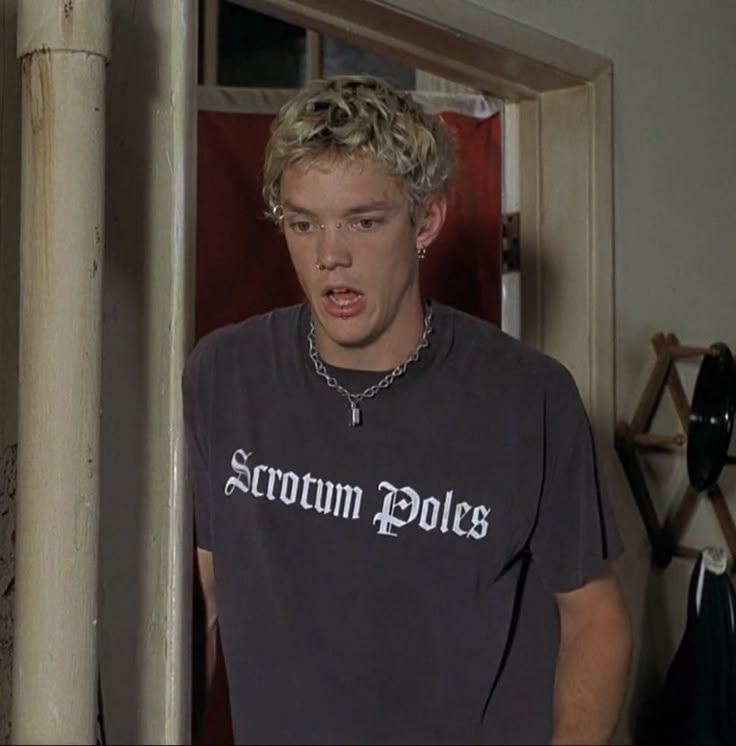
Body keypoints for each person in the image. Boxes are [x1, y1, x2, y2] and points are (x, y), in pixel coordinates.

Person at [183, 74, 632, 745]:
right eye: (303, 223)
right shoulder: (227, 373)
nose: (330, 256)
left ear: (425, 220)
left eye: (364, 222)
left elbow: (596, 620)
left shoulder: (529, 397)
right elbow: (201, 601)